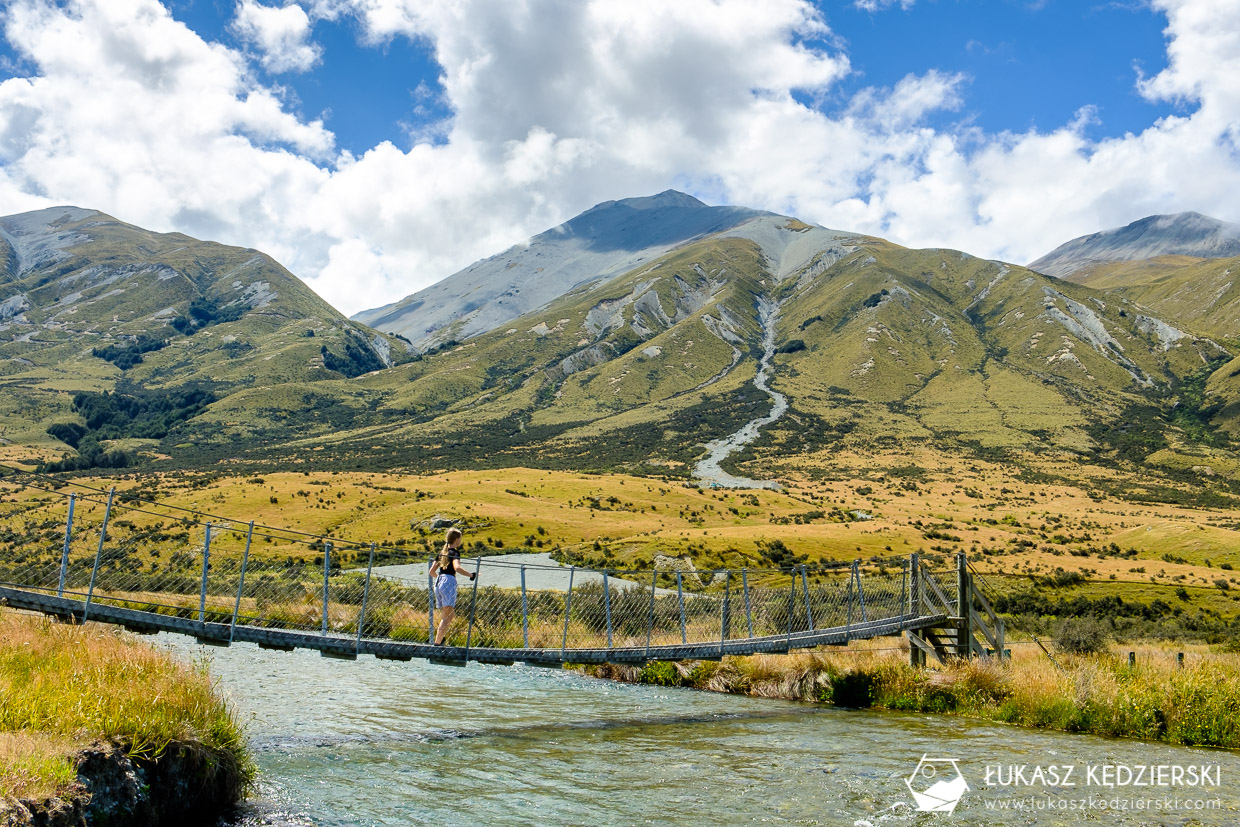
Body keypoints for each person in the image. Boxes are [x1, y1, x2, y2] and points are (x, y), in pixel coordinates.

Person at [428, 526, 475, 645]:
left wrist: (440, 579)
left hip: (438, 582)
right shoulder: (454, 552)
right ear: (456, 540)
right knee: (447, 617)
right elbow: (457, 568)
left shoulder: (441, 553)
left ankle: (440, 639)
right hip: (449, 582)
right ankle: (438, 643)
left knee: (449, 614)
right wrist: (471, 575)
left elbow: (431, 572)